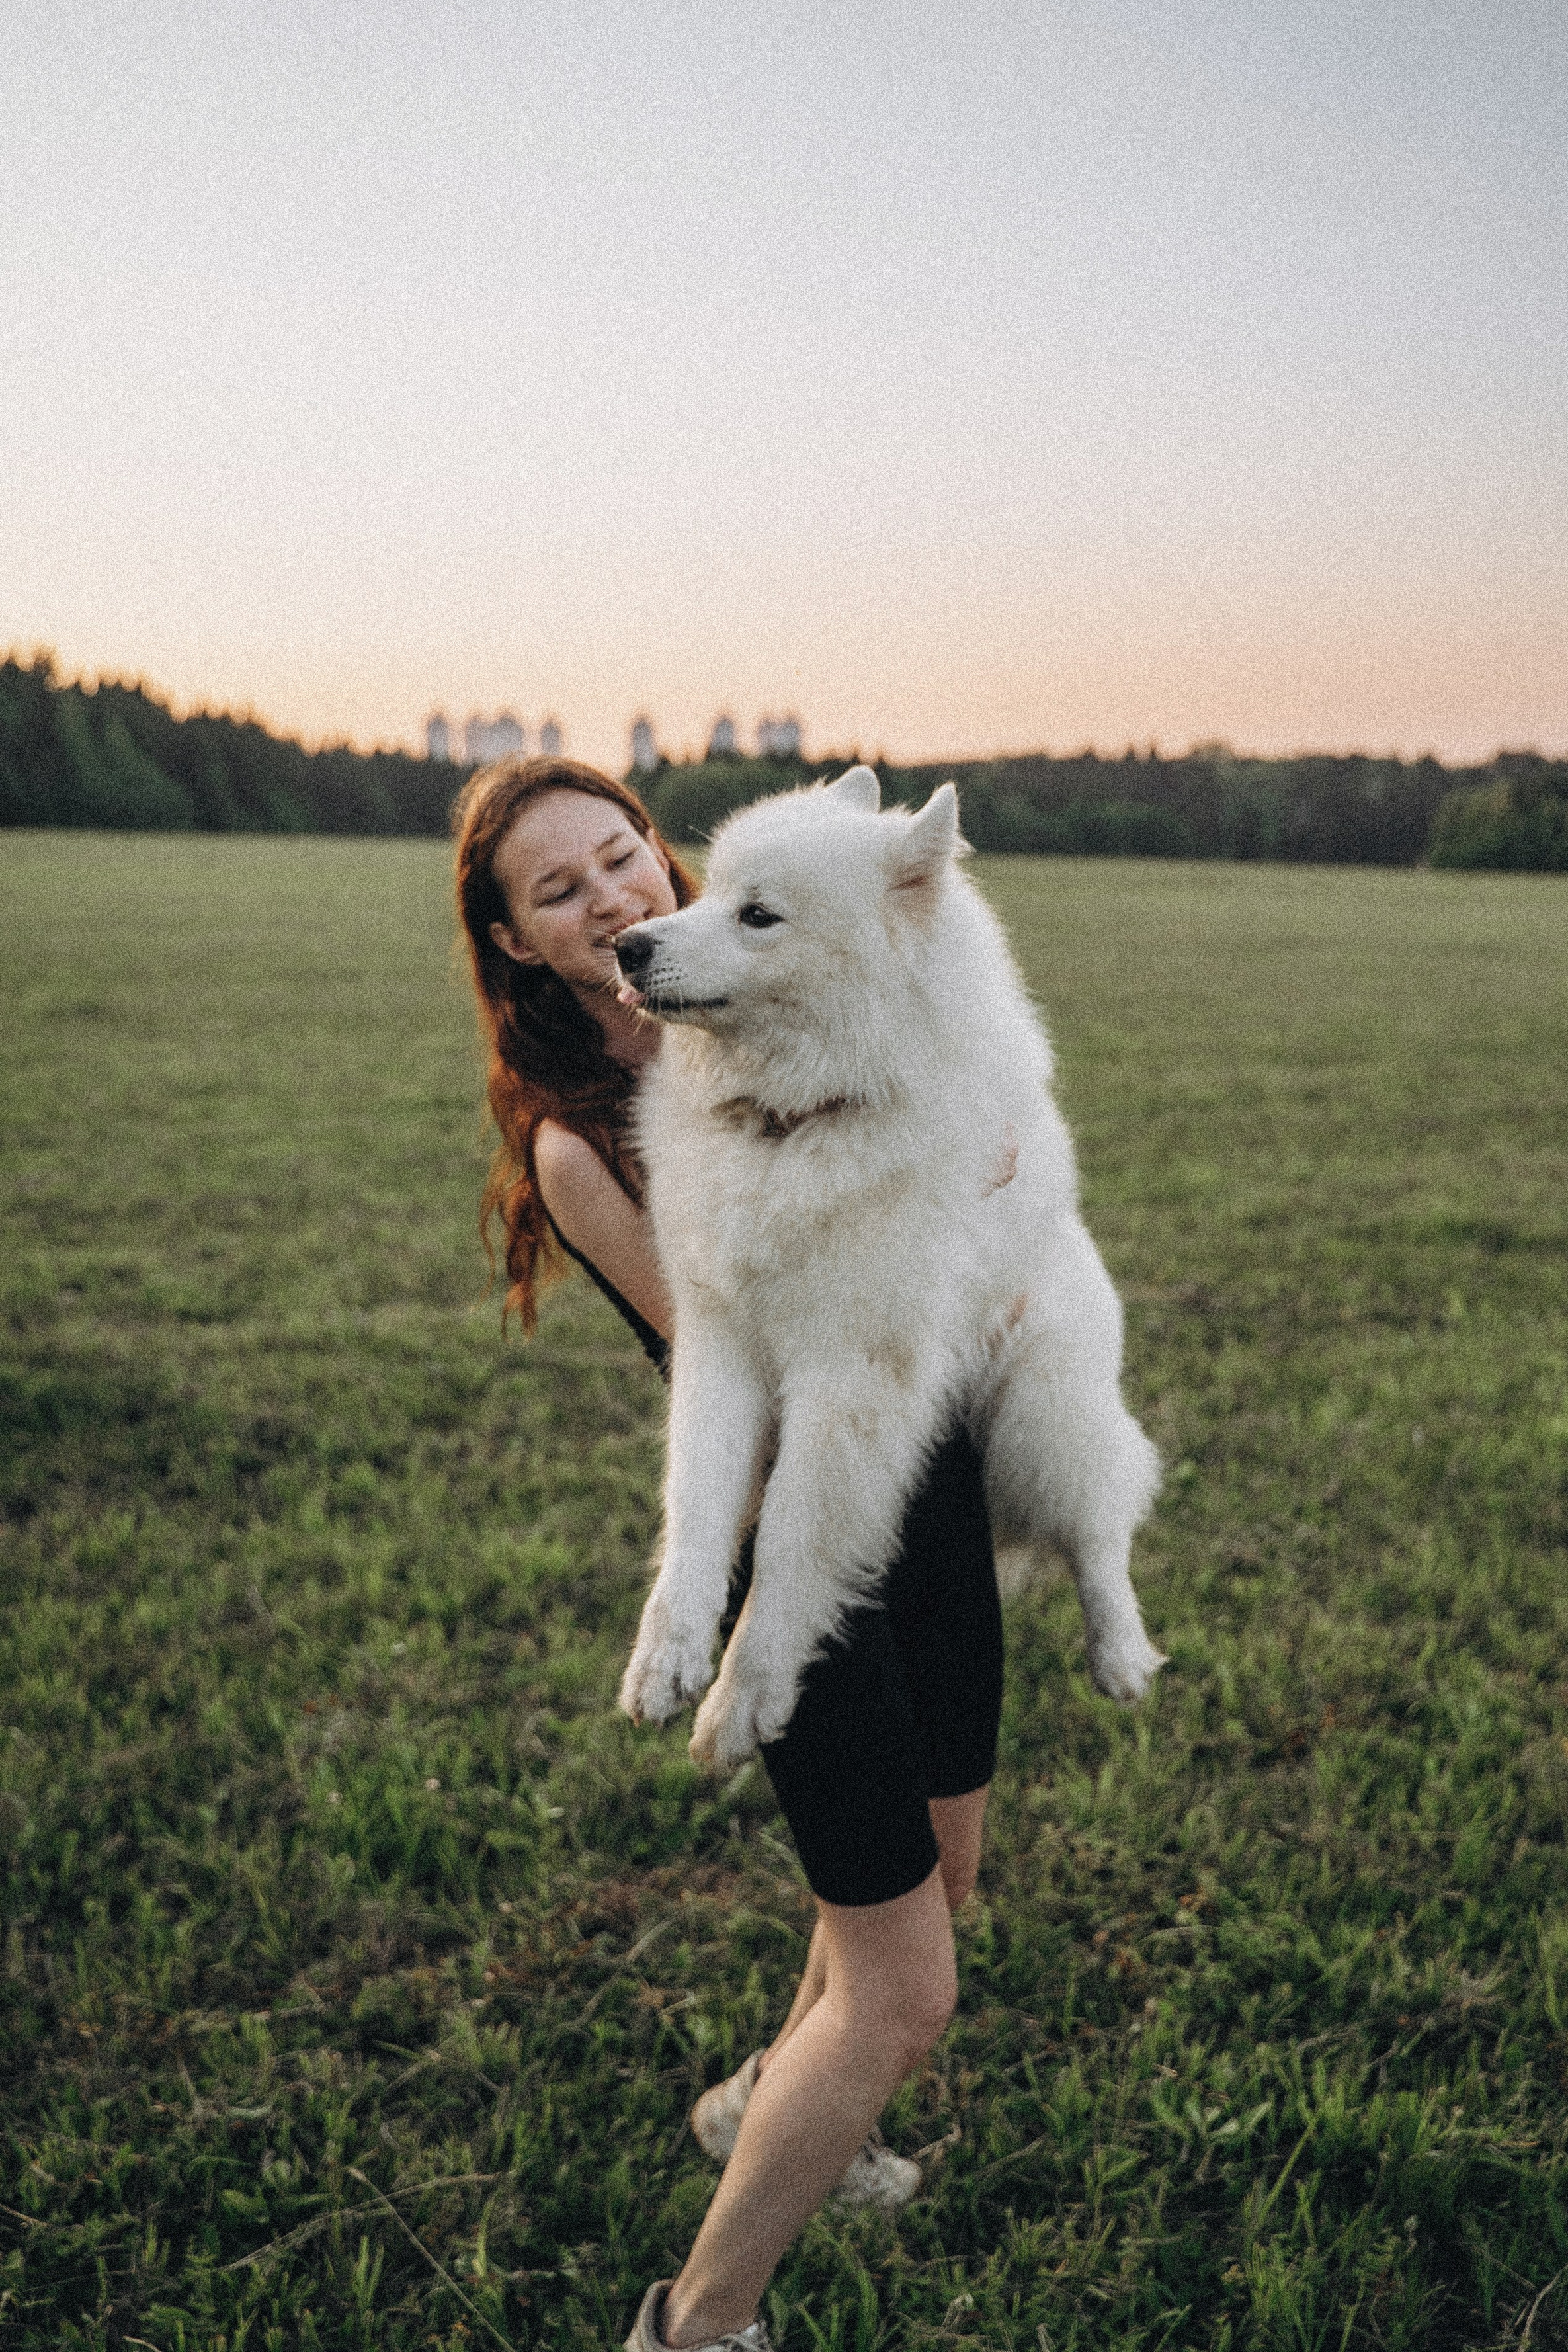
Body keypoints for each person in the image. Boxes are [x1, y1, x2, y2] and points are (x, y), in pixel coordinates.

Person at [453, 755, 1005, 2352]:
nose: (615, 898)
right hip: (802, 1554)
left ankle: (773, 2093)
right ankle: (697, 2324)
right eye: (558, 891)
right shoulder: (587, 1144)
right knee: (905, 1993)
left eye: (623, 855)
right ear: (519, 945)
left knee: (930, 1888)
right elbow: (745, 1370)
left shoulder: (809, 991)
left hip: (933, 1492)